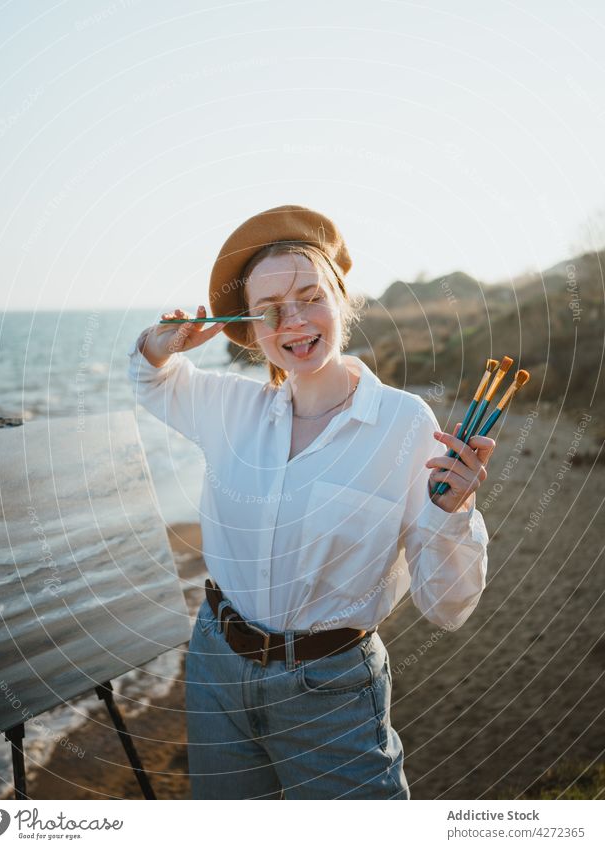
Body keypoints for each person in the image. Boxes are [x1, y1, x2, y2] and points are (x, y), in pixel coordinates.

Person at [127, 205, 495, 800]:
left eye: (309, 296)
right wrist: (160, 340)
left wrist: (453, 514)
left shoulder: (404, 425)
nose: (293, 321)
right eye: (270, 311)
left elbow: (448, 608)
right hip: (215, 662)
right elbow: (149, 377)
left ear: (342, 299)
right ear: (250, 329)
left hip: (330, 687)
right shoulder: (231, 408)